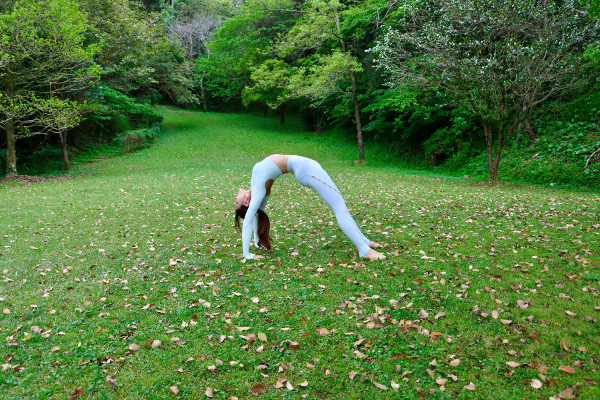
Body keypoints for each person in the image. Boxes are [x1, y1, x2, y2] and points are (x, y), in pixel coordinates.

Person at [234, 154, 386, 261]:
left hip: (305, 168)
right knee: (339, 207)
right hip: (307, 170)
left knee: (340, 206)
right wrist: (247, 254)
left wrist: (257, 242)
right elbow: (249, 220)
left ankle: (364, 242)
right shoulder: (259, 191)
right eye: (236, 203)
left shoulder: (256, 189)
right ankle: (364, 250)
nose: (235, 199)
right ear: (246, 203)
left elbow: (256, 216)